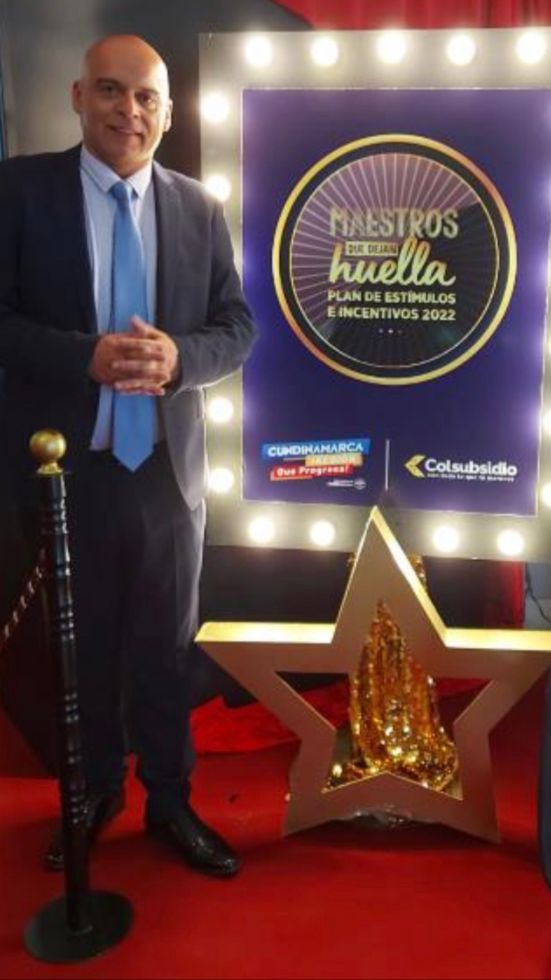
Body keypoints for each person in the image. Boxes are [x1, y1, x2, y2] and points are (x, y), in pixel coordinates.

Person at [0, 35, 256, 877]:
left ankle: (171, 803)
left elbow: (237, 329)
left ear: (169, 113)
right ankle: (95, 792)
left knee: (165, 650)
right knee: (83, 653)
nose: (129, 111)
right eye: (111, 91)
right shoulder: (18, 193)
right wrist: (86, 357)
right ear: (79, 97)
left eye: (147, 97)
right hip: (66, 473)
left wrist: (181, 360)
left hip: (169, 479)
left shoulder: (200, 207)